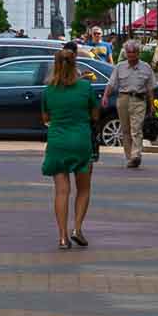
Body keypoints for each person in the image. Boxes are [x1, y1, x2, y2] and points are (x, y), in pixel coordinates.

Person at [40, 42, 101, 248]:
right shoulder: (85, 87)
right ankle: (77, 228)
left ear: (55, 66)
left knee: (61, 191)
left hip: (57, 141)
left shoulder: (49, 90)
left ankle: (62, 237)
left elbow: (45, 117)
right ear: (75, 63)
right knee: (83, 188)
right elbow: (95, 114)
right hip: (81, 141)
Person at [110, 42, 157, 168]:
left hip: (139, 100)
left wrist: (151, 104)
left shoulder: (146, 67)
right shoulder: (119, 67)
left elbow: (150, 88)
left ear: (138, 53)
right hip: (123, 99)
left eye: (133, 52)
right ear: (126, 53)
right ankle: (129, 157)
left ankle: (136, 155)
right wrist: (105, 96)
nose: (131, 55)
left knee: (136, 128)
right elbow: (111, 84)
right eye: (129, 52)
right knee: (125, 130)